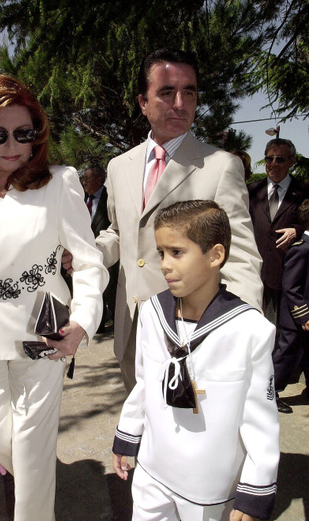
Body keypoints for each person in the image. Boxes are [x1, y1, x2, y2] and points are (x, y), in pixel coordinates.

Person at [0, 75, 108, 521]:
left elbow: (89, 263)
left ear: (37, 134)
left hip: (43, 342)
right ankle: (37, 488)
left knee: (30, 454)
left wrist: (82, 325)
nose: (11, 145)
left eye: (23, 133)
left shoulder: (59, 183)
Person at [85, 47, 263, 392]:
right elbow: (120, 234)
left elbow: (239, 257)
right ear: (142, 101)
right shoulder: (120, 166)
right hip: (131, 329)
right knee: (140, 434)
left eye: (189, 92)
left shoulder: (221, 166)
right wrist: (85, 255)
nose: (179, 103)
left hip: (190, 331)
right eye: (166, 92)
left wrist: (240, 330)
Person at [113, 200, 280, 521]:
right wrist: (128, 435)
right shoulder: (151, 312)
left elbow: (261, 420)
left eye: (177, 252)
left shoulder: (249, 329)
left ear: (215, 255)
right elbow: (145, 383)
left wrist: (254, 492)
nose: (164, 264)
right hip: (152, 471)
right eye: (161, 252)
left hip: (209, 487)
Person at [248, 138, 309, 326]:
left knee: (279, 333)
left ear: (291, 161)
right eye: (269, 159)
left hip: (285, 275)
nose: (273, 164)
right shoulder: (250, 190)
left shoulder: (304, 191)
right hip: (252, 271)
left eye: (280, 159)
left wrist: (296, 230)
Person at [272, 198, 309, 413]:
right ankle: (270, 392)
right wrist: (303, 316)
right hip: (295, 319)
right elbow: (291, 286)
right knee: (286, 356)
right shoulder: (301, 249)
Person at [81, 165, 118, 331]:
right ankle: (97, 325)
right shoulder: (80, 199)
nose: (84, 183)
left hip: (108, 256)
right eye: (83, 179)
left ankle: (116, 325)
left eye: (87, 179)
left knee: (110, 293)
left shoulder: (110, 197)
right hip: (85, 254)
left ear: (99, 180)